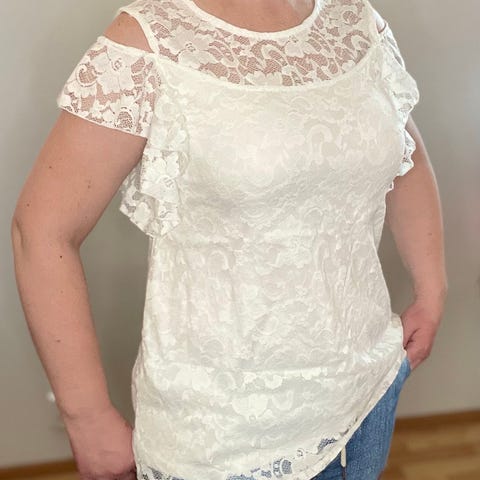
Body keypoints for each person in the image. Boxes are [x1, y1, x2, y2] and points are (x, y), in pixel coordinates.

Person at [11, 0, 447, 479]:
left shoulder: (354, 19)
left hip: (368, 392)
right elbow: (42, 229)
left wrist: (432, 288)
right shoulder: (149, 37)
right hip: (224, 438)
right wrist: (86, 417)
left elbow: (404, 156)